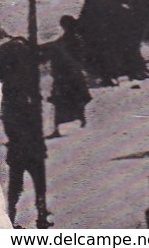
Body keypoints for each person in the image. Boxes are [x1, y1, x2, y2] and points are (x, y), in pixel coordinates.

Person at [0, 28, 48, 227]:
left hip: (19, 147)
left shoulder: (9, 99)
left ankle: (11, 218)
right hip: (32, 146)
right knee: (38, 182)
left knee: (15, 185)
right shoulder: (28, 93)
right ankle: (42, 215)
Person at [45, 16, 92, 136]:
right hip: (73, 76)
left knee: (61, 102)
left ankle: (57, 129)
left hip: (65, 77)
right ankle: (82, 120)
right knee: (76, 100)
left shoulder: (65, 41)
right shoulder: (75, 40)